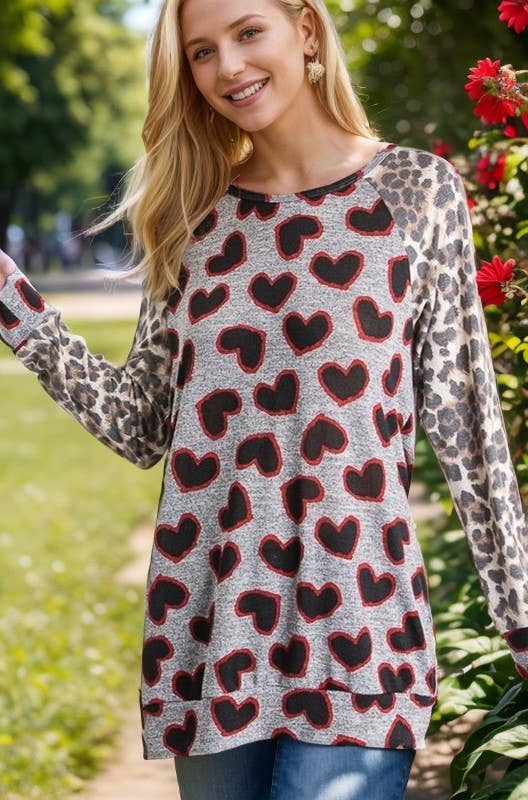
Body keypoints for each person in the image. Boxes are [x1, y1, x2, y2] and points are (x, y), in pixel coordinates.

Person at [1, 0, 527, 798]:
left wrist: (517, 609)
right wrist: (18, 308)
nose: (230, 67)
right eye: (202, 51)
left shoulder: (415, 191)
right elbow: (142, 425)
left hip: (358, 626)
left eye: (249, 32)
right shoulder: (192, 217)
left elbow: (469, 423)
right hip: (213, 630)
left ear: (306, 29)